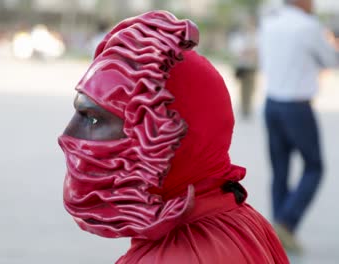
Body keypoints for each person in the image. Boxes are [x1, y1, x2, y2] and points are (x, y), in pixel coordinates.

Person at [59, 11, 288, 263]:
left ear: (165, 137)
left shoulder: (175, 256)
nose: (67, 135)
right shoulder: (239, 218)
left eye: (92, 118)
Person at [259, 0, 339, 253]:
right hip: (297, 106)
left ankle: (278, 232)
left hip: (271, 103)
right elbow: (331, 61)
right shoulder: (308, 26)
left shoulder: (269, 21)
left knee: (279, 170)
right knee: (314, 167)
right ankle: (286, 222)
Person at [228, 19, 258, 119]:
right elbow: (237, 50)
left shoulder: (255, 36)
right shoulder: (239, 37)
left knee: (251, 88)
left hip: (251, 66)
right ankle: (244, 108)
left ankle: (248, 108)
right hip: (242, 67)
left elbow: (256, 51)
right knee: (243, 89)